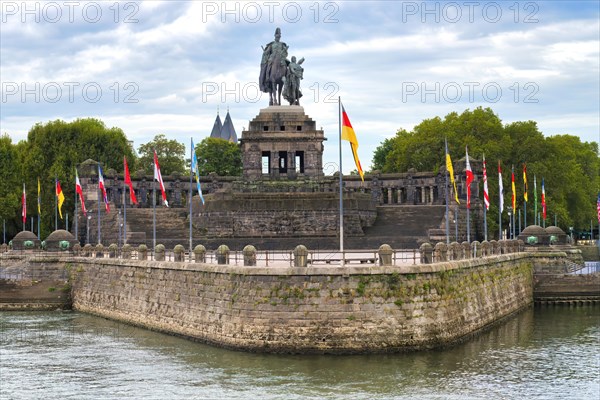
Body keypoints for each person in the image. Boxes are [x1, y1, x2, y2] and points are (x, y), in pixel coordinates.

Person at [259, 28, 288, 95]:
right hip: (272, 57)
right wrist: (265, 52)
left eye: (279, 36)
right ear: (275, 36)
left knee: (286, 65)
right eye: (277, 36)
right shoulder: (271, 44)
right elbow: (267, 52)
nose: (278, 37)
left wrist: (285, 50)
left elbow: (285, 53)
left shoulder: (282, 44)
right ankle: (267, 76)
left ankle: (287, 76)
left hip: (281, 57)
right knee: (269, 64)